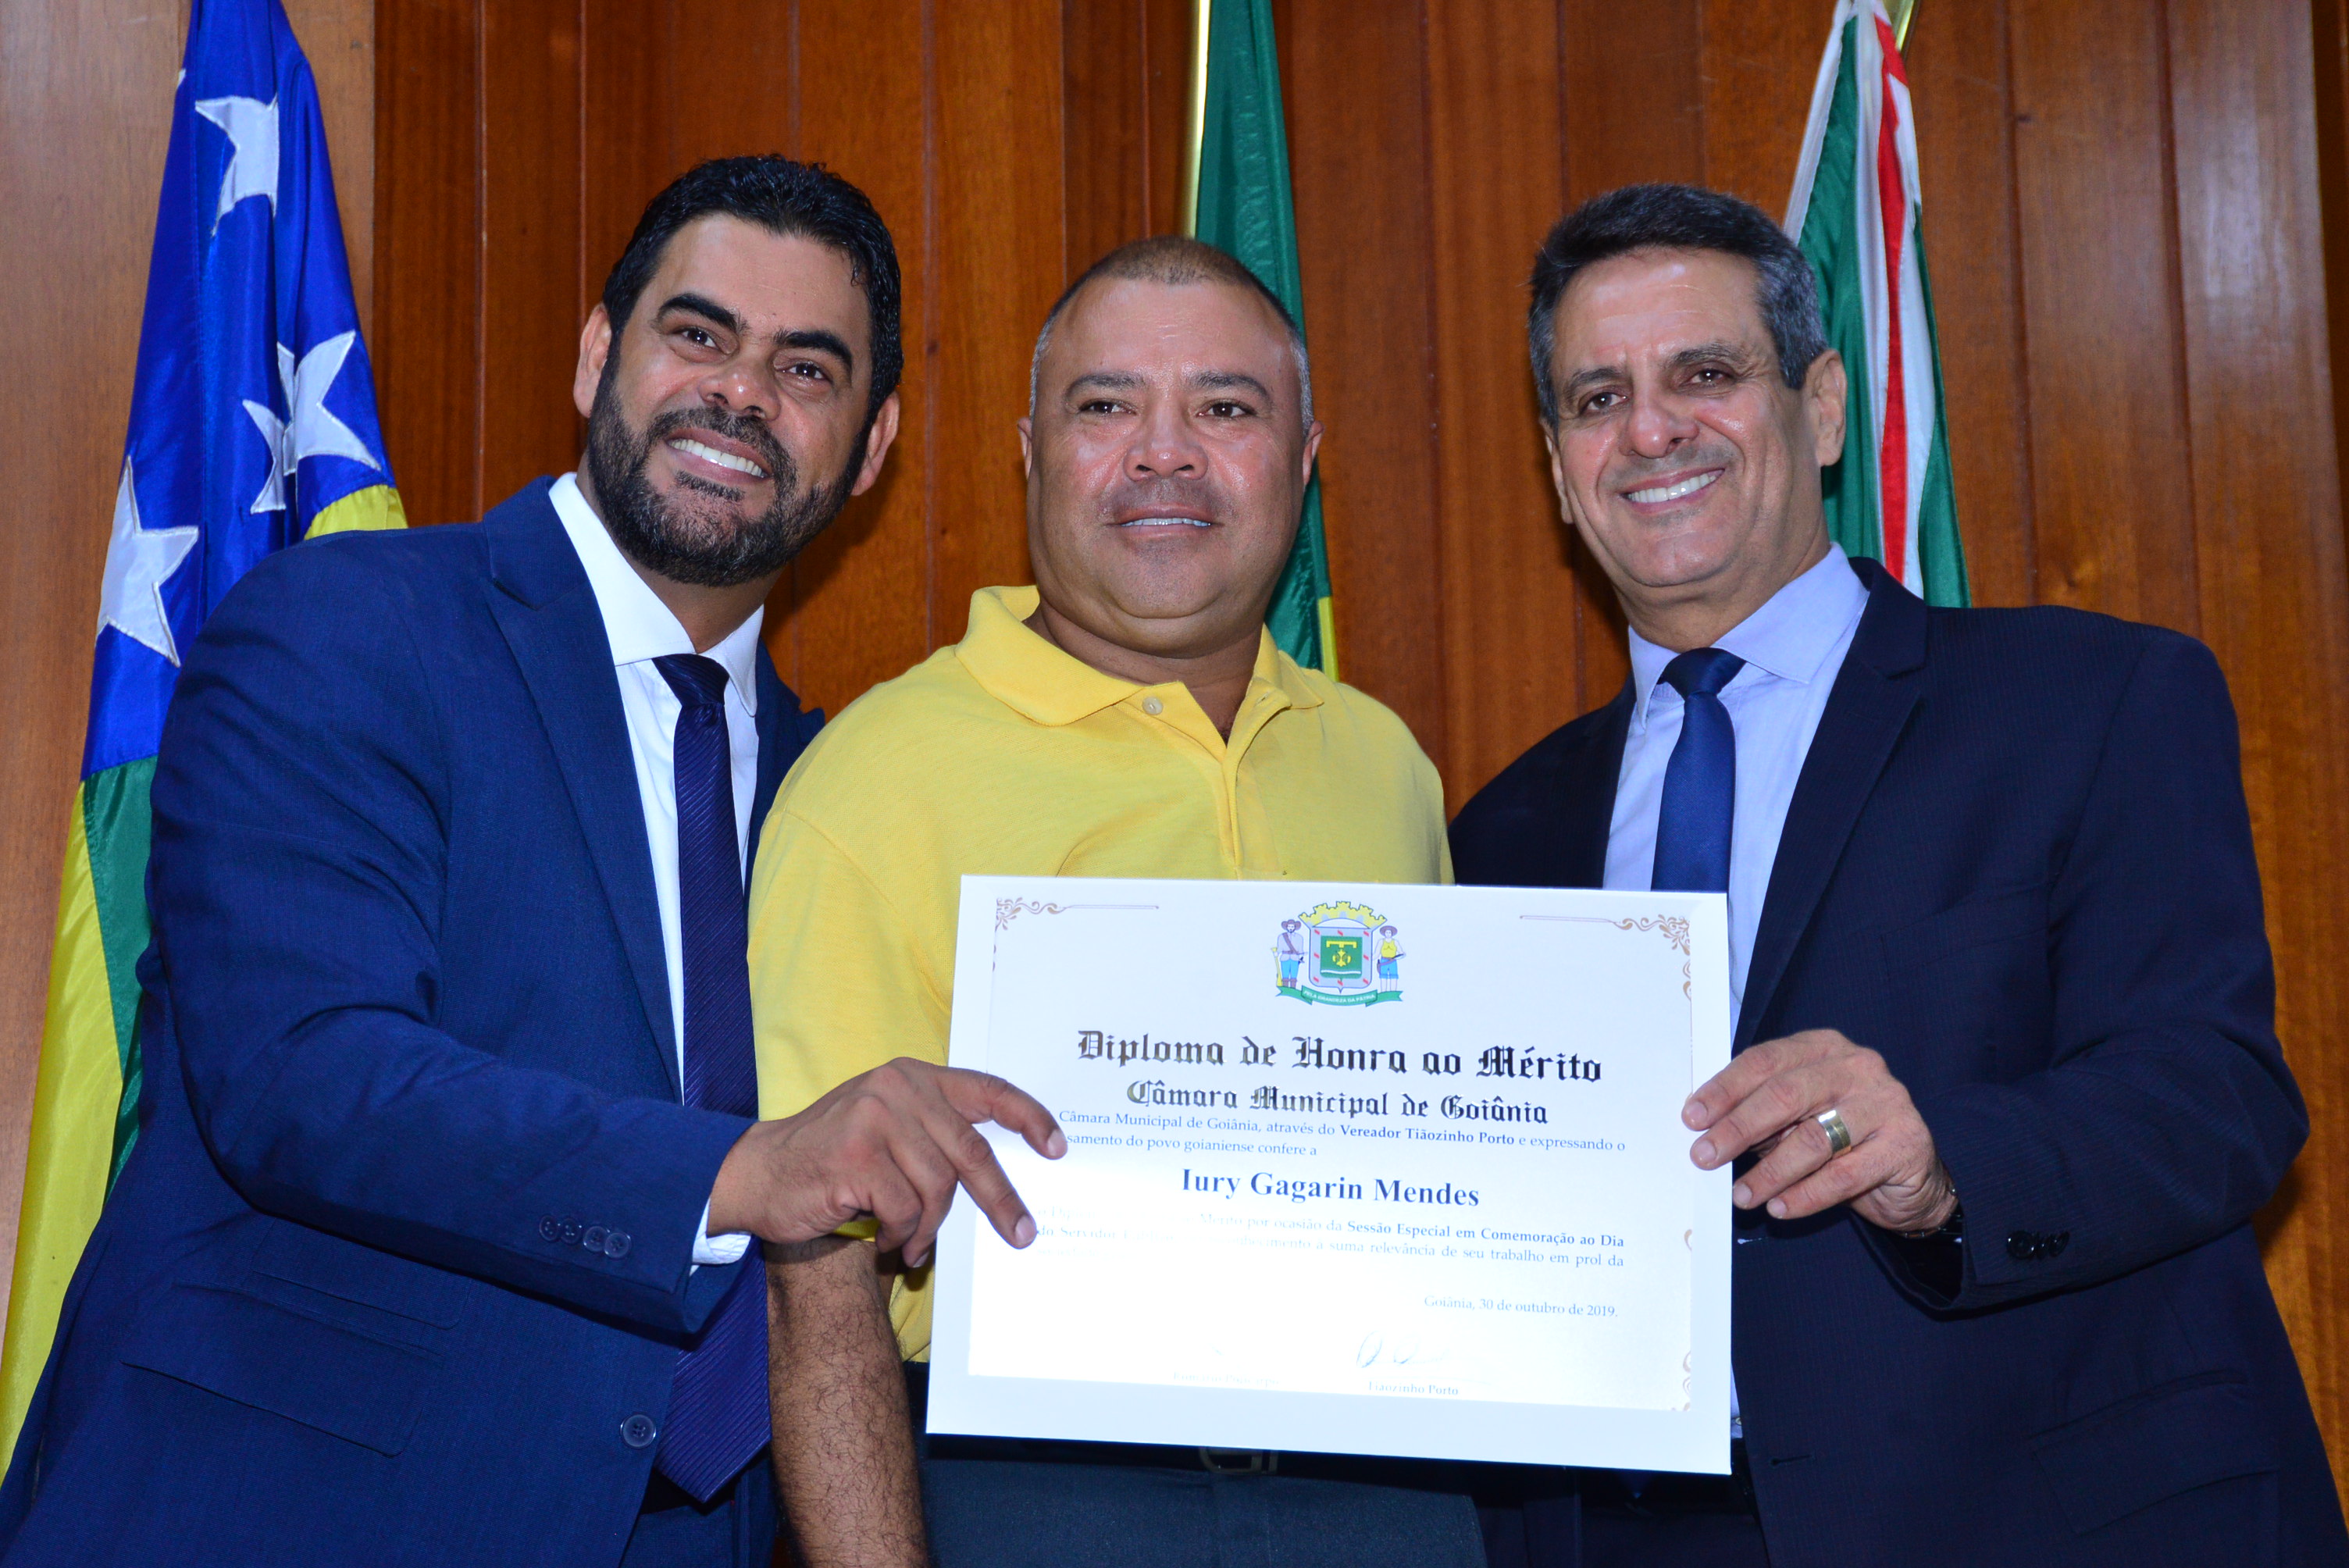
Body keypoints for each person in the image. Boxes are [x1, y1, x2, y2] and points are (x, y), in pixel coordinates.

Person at [0, 157, 1061, 1568]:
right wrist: (741, 1171)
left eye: (808, 369)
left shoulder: (844, 788)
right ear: (595, 354)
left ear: (870, 451)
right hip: (292, 1513)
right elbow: (306, 1075)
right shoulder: (344, 625)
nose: (742, 394)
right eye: (698, 333)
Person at [1450, 183, 2348, 1568]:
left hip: (2025, 1524)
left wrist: (1943, 1164)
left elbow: (2216, 1096)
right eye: (1597, 398)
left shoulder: (2092, 700)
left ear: (1820, 409)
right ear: (1560, 469)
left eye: (1705, 374)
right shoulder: (1502, 832)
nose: (1652, 430)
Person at [747, 237, 1480, 1568]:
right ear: (1034, 454)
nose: (1165, 453)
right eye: (1107, 406)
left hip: (1390, 1487)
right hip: (1038, 1495)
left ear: (1304, 460)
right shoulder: (875, 779)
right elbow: (819, 1284)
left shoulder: (1386, 766)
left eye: (1226, 406)